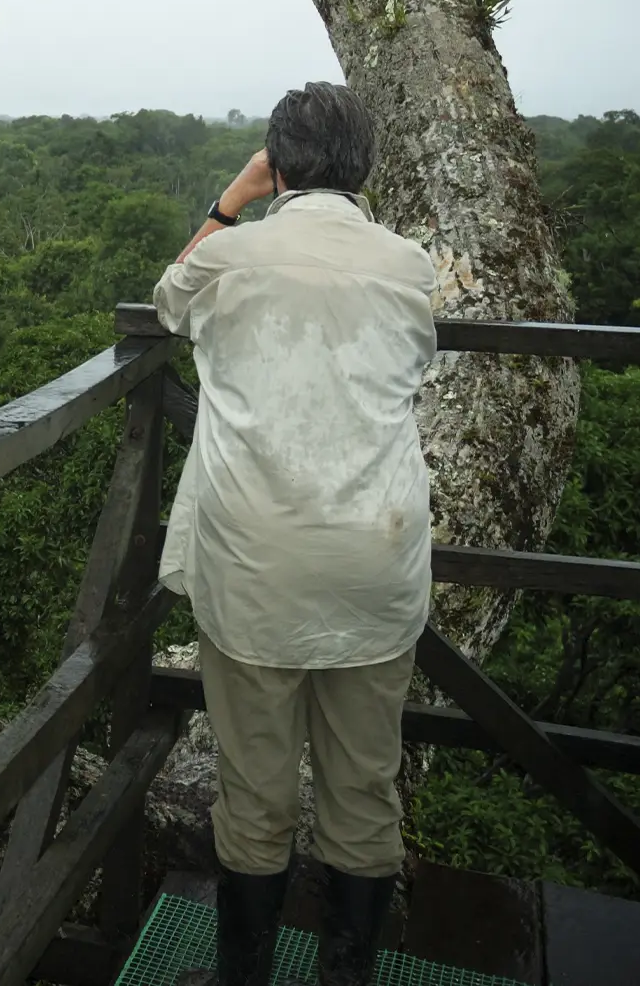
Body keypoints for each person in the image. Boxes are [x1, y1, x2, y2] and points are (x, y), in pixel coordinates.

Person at [155, 83, 438, 986]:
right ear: (365, 167)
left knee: (256, 789)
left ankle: (245, 978)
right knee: (363, 786)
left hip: (253, 567)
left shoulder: (229, 258)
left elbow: (166, 300)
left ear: (277, 165)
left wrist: (230, 201)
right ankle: (345, 976)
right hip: (376, 560)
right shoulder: (409, 265)